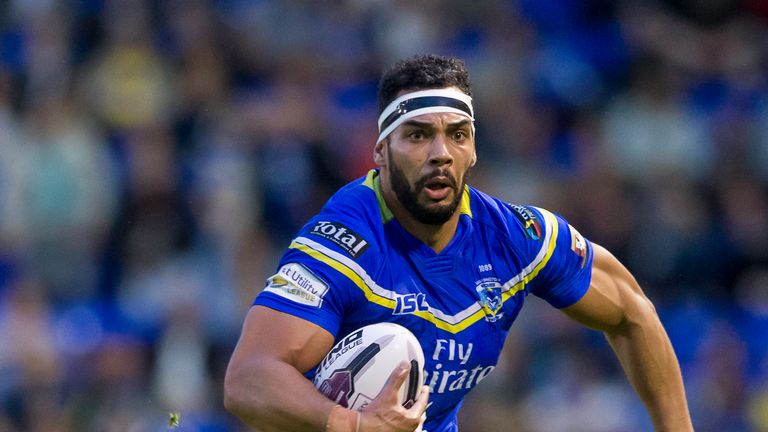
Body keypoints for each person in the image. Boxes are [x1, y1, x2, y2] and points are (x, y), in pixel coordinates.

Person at [224, 54, 694, 432]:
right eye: (417, 135)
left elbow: (634, 314)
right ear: (380, 152)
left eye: (457, 135)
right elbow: (247, 380)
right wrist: (356, 426)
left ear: (473, 150)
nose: (439, 153)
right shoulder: (340, 247)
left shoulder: (515, 237)